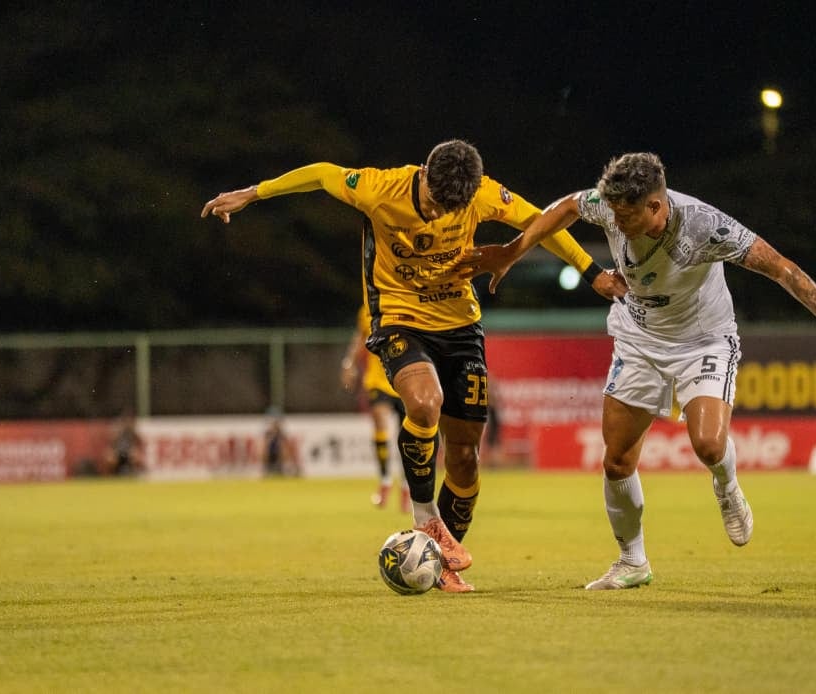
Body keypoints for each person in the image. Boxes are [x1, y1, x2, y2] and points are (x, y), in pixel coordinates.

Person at [201, 139, 624, 592]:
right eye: (438, 204)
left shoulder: (480, 192)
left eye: (453, 208)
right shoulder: (380, 189)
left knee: (465, 458)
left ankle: (439, 561)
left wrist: (591, 272)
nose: (444, 215)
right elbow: (322, 172)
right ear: (424, 174)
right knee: (425, 403)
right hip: (399, 319)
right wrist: (254, 193)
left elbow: (541, 220)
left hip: (461, 328)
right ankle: (425, 518)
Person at [458, 152, 816, 590]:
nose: (617, 224)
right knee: (616, 460)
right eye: (613, 214)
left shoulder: (705, 227)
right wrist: (513, 252)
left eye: (627, 216)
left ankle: (727, 486)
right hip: (639, 338)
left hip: (703, 340)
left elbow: (781, 267)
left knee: (707, 444)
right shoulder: (610, 205)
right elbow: (566, 207)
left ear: (655, 206)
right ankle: (632, 562)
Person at [342, 303, 411, 513]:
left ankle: (408, 488)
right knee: (380, 424)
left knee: (409, 437)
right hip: (377, 380)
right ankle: (385, 481)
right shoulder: (367, 309)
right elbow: (361, 338)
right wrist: (349, 364)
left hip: (405, 380)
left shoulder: (408, 304)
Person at [263, 411, 299, 477]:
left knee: (280, 467)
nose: (276, 425)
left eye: (277, 424)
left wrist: (285, 455)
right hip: (271, 454)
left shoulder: (281, 434)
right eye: (274, 424)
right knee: (269, 467)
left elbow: (284, 445)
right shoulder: (268, 433)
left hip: (278, 454)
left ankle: (281, 472)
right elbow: (266, 445)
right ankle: (268, 473)